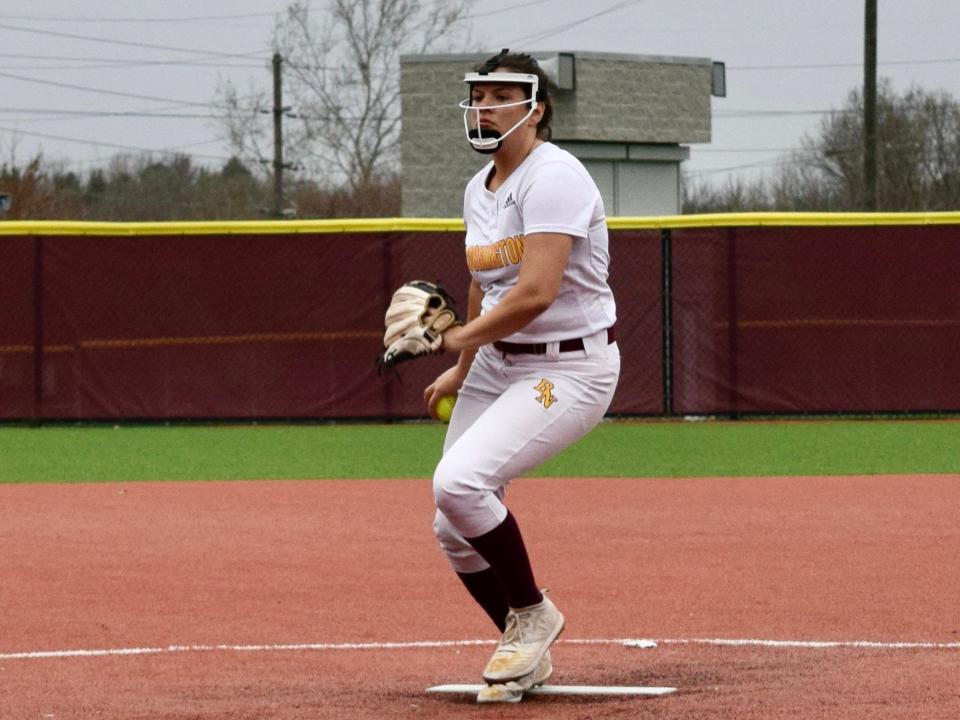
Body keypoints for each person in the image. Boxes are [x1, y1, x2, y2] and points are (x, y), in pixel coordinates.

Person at [424, 49, 620, 704]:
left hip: (567, 367)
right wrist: (462, 365)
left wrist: (454, 336)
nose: (484, 107)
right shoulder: (476, 189)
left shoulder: (554, 175)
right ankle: (522, 643)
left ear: (535, 110)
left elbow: (534, 293)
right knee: (452, 521)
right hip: (502, 363)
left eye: (501, 96)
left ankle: (533, 614)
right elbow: (487, 289)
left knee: (459, 481)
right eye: (479, 96)